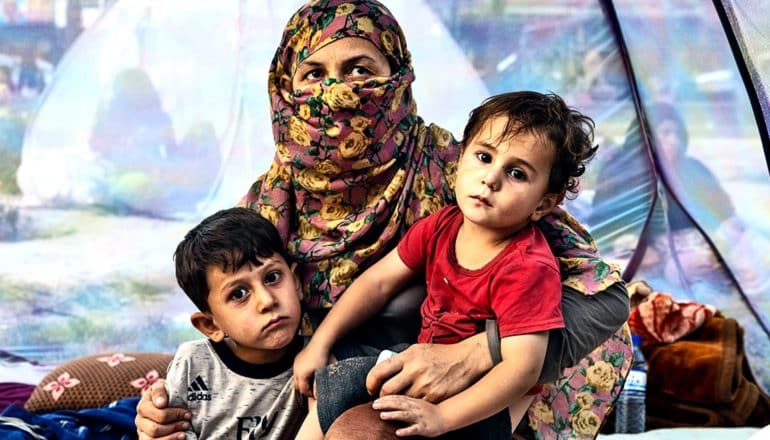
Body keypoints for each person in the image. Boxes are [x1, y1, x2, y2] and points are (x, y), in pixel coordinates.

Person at [135, 1, 630, 438]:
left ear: (397, 77)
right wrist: (168, 409)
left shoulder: (459, 176)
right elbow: (234, 328)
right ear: (285, 90)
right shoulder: (269, 206)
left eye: (359, 70)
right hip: (344, 384)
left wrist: (480, 351)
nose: (337, 94)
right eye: (313, 75)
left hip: (476, 397)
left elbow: (605, 299)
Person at [293, 91, 597, 438]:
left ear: (544, 203)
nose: (491, 179)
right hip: (425, 366)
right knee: (338, 379)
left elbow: (521, 369)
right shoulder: (442, 226)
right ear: (461, 157)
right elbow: (377, 283)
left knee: (357, 422)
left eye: (516, 173)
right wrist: (319, 343)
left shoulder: (526, 266)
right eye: (484, 157)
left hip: (483, 403)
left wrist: (442, 418)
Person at [164, 207, 313, 439]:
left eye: (272, 277)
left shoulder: (314, 360)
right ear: (210, 325)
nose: (267, 301)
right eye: (239, 293)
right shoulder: (192, 365)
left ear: (295, 282)